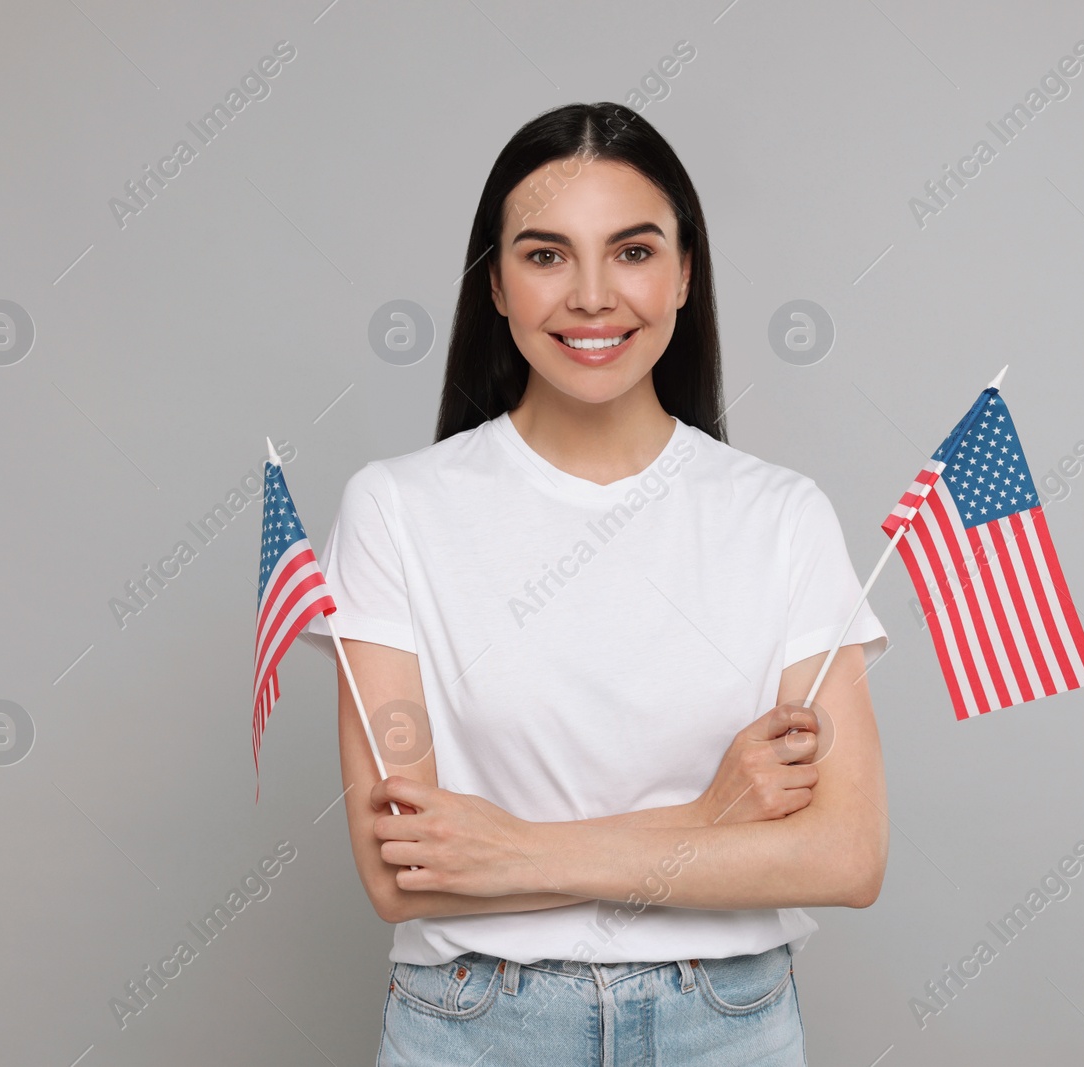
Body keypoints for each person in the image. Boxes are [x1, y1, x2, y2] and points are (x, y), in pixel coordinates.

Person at [300, 101, 889, 1066]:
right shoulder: (396, 511)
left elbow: (846, 855)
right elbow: (404, 874)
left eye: (632, 251)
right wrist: (708, 822)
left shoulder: (781, 516)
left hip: (727, 1025)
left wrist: (513, 853)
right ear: (494, 282)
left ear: (685, 271)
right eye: (544, 255)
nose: (590, 295)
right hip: (475, 1026)